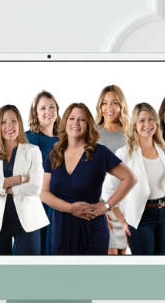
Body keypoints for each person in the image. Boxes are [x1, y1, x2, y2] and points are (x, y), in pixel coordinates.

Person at [40, 103, 137, 255]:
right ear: (65, 122)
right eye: (71, 118)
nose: (76, 123)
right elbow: (44, 193)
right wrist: (71, 209)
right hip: (62, 229)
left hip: (93, 229)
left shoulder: (99, 153)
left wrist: (106, 207)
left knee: (93, 277)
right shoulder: (54, 153)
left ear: (89, 124)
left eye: (82, 119)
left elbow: (130, 178)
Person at [103, 104, 165, 255]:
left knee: (160, 267)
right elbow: (107, 191)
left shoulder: (164, 150)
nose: (147, 124)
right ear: (135, 126)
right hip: (139, 219)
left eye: (151, 119)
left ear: (157, 123)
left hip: (163, 216)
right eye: (141, 120)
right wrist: (123, 222)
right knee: (144, 269)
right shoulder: (124, 153)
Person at [0, 105, 48, 255]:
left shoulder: (33, 151)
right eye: (3, 122)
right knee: (0, 274)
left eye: (13, 121)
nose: (9, 126)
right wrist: (19, 179)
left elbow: (35, 187)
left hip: (27, 220)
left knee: (29, 272)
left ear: (20, 124)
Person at [94, 85, 130, 255]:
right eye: (105, 103)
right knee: (110, 257)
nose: (109, 108)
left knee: (123, 257)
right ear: (100, 107)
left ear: (121, 106)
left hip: (126, 206)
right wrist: (100, 206)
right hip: (103, 205)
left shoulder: (130, 136)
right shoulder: (93, 135)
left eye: (114, 103)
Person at [25, 90, 60, 255]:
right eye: (43, 108)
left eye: (52, 107)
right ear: (36, 114)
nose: (48, 112)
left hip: (59, 206)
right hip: (36, 206)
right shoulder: (31, 138)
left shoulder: (64, 140)